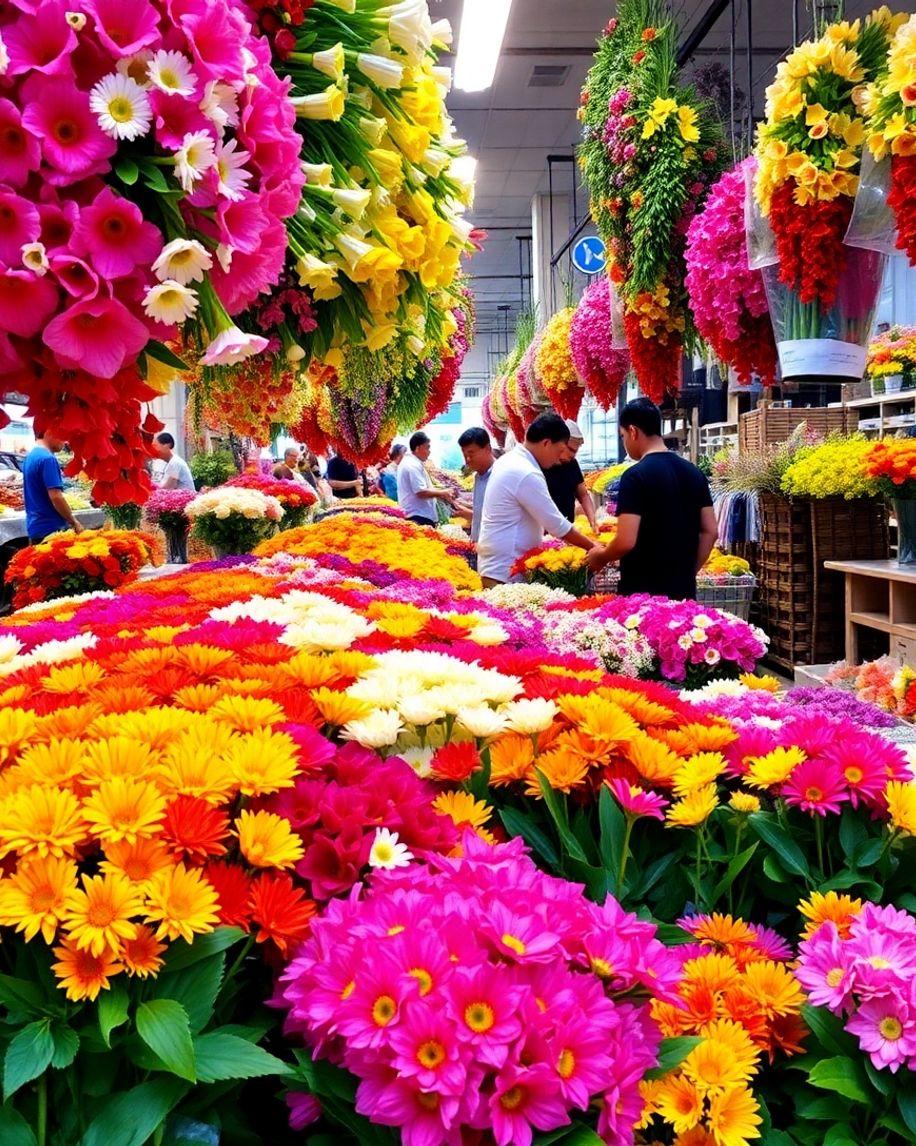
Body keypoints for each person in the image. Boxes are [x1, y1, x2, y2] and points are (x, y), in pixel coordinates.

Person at [586, 397, 717, 599]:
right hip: (684, 594)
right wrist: (687, 574)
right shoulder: (694, 472)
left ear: (633, 431)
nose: (625, 442)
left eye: (622, 436)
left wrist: (600, 557)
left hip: (642, 594)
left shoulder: (635, 476)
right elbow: (710, 531)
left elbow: (625, 541)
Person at [477, 413, 597, 587]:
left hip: (500, 568)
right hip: (506, 572)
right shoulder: (525, 472)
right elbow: (557, 525)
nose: (559, 459)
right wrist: (594, 547)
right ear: (546, 443)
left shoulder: (511, 460)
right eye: (560, 451)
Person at [22, 426, 84, 543]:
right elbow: (56, 496)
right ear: (49, 431)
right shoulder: (48, 459)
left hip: (35, 527)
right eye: (63, 435)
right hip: (51, 530)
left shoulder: (30, 456)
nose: (65, 441)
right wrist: (73, 521)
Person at [544, 419, 598, 532]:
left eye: (576, 451)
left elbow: (583, 495)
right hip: (544, 532)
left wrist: (592, 519)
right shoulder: (541, 465)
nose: (573, 455)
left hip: (568, 529)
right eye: (570, 450)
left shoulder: (572, 464)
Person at [397, 432, 455, 525]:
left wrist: (442, 492)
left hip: (418, 514)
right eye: (427, 447)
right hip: (418, 516)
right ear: (417, 448)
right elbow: (421, 492)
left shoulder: (412, 462)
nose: (429, 451)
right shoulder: (412, 465)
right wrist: (443, 492)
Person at [455, 427, 495, 542]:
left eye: (471, 454)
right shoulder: (478, 476)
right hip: (480, 546)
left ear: (487, 449)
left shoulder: (500, 476)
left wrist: (471, 515)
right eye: (464, 455)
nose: (467, 460)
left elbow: (502, 519)